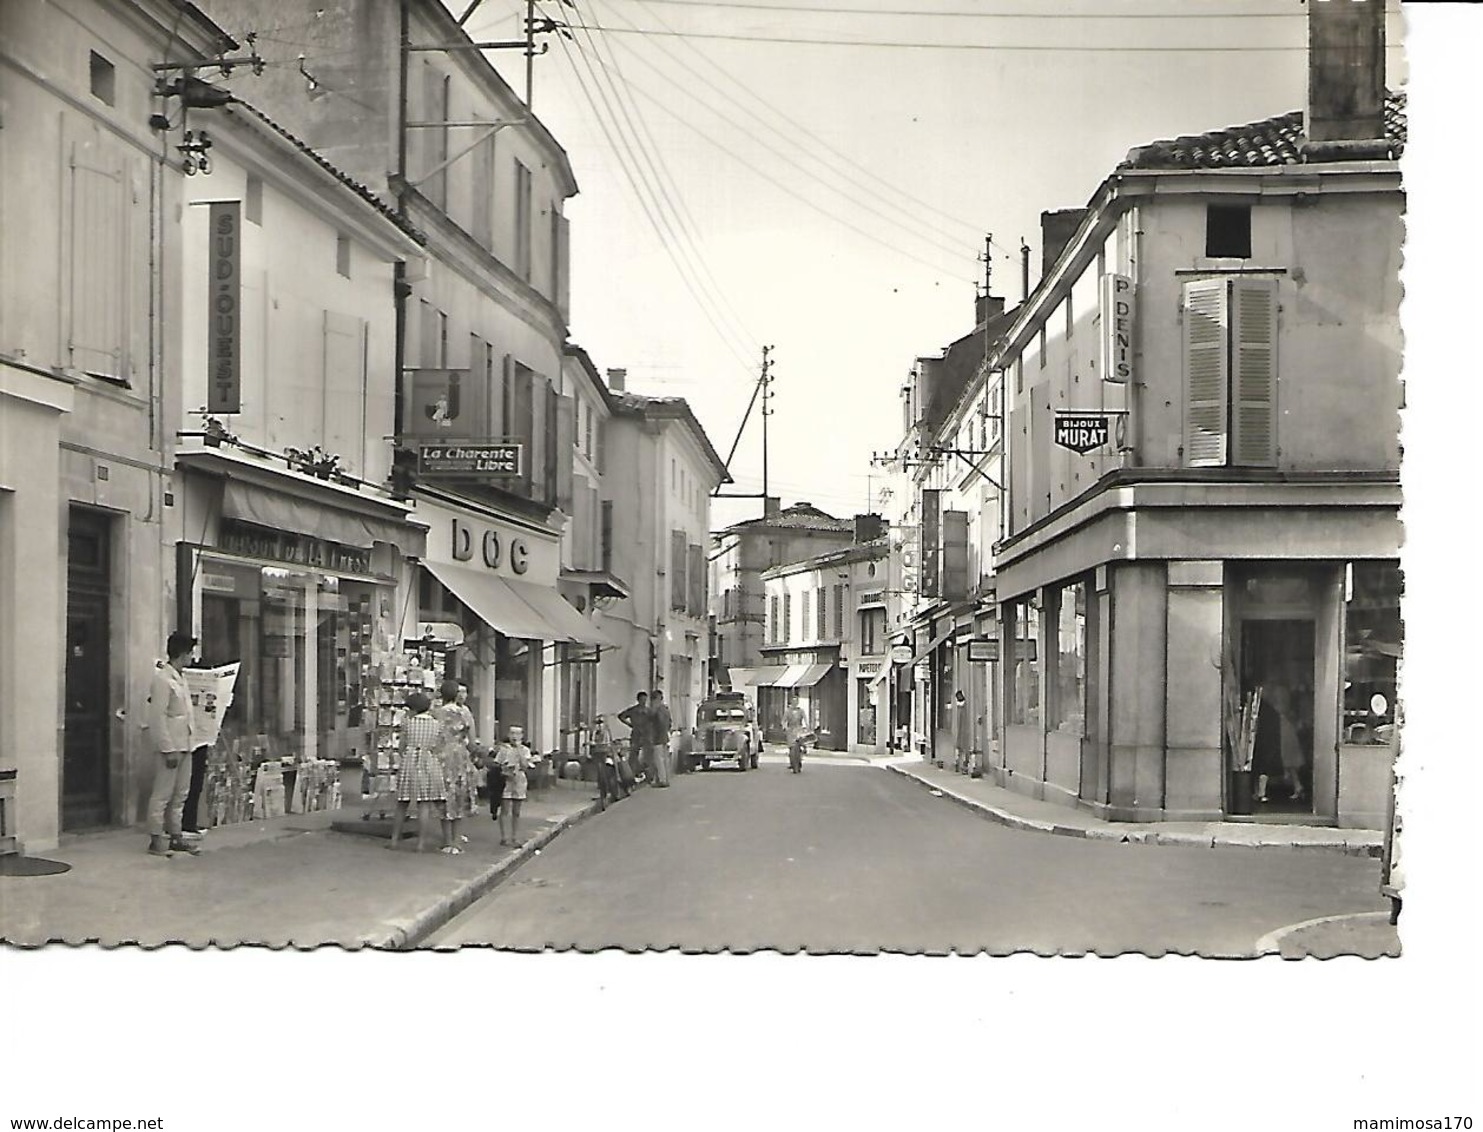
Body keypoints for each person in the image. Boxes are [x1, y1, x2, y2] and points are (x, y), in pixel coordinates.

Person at [144, 632, 201, 857]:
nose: (192, 658)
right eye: (190, 653)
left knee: (181, 793)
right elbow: (157, 717)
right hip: (172, 746)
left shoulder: (181, 678)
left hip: (186, 743)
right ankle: (156, 838)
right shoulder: (162, 679)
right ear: (181, 654)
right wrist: (167, 748)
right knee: (163, 793)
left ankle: (175, 835)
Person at [389, 691, 447, 853]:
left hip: (410, 759)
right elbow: (439, 746)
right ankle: (421, 843)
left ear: (413, 709)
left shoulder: (407, 722)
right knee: (424, 803)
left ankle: (394, 840)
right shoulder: (437, 724)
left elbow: (402, 746)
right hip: (428, 760)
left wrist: (406, 754)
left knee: (402, 802)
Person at [433, 679, 477, 855]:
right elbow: (472, 740)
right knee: (459, 796)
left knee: (444, 797)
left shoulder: (436, 713)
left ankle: (446, 841)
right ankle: (457, 841)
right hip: (459, 756)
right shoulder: (464, 713)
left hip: (441, 756)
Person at [495, 725, 535, 848]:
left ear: (521, 736)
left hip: (519, 780)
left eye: (517, 734)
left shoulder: (524, 750)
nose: (514, 736)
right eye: (512, 733)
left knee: (516, 810)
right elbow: (497, 765)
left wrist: (518, 750)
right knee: (505, 809)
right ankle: (504, 837)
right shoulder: (504, 749)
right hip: (507, 781)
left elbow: (525, 766)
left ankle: (515, 836)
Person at [617, 691, 652, 785]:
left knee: (647, 755)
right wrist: (629, 724)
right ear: (638, 700)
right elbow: (621, 716)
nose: (643, 702)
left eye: (645, 700)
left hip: (646, 734)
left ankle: (647, 775)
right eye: (642, 700)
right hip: (636, 733)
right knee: (633, 754)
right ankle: (631, 775)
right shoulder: (633, 710)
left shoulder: (649, 711)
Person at [648, 689, 673, 787]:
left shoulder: (657, 710)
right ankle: (666, 779)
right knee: (665, 759)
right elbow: (669, 723)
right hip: (665, 737)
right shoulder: (666, 710)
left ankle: (662, 780)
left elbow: (658, 723)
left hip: (657, 737)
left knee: (658, 760)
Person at [784, 695, 808, 774]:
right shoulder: (787, 711)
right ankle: (792, 762)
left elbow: (805, 719)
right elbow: (783, 720)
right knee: (791, 747)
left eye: (796, 701)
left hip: (799, 729)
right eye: (793, 701)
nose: (795, 703)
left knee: (800, 745)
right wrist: (785, 727)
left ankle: (800, 759)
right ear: (791, 702)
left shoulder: (801, 711)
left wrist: (806, 727)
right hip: (791, 730)